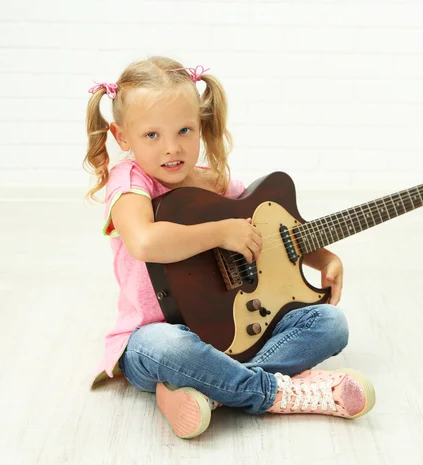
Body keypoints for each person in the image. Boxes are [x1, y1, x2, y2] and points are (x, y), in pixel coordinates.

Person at [84, 56, 375, 439]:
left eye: (184, 131)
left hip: (231, 334)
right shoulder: (130, 184)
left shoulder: (213, 183)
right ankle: (275, 393)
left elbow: (273, 227)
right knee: (171, 346)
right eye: (152, 135)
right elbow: (144, 241)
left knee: (330, 324)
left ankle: (209, 391)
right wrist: (220, 233)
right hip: (152, 338)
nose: (171, 148)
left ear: (201, 126)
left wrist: (322, 256)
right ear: (122, 137)